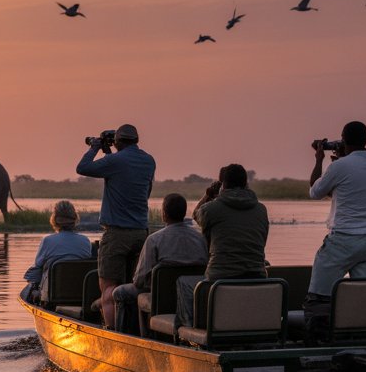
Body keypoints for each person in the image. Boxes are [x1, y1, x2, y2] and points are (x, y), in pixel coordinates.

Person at [303, 121, 366, 339]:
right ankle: (362, 338)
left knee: (319, 296)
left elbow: (315, 192)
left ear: (343, 139)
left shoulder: (339, 167)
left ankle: (319, 342)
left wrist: (320, 160)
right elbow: (347, 194)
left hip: (343, 239)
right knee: (362, 296)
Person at [76, 123, 156, 327]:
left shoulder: (115, 161)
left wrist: (95, 146)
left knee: (109, 288)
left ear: (118, 142)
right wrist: (108, 151)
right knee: (134, 285)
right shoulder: (148, 161)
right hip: (141, 233)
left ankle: (112, 332)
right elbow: (140, 187)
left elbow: (82, 167)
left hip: (117, 235)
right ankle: (135, 329)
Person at [175, 163, 269, 333]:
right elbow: (263, 240)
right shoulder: (261, 210)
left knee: (184, 283)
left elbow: (196, 214)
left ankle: (190, 334)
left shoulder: (213, 208)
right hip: (257, 278)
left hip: (220, 279)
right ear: (246, 184)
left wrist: (208, 195)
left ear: (222, 185)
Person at [112, 193, 208, 331]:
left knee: (119, 292)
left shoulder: (154, 239)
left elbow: (139, 280)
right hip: (191, 294)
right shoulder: (200, 238)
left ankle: (125, 336)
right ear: (183, 213)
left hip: (160, 297)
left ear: (164, 214)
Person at [22, 199, 93, 303]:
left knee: (33, 277)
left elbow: (37, 268)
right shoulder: (85, 241)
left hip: (51, 295)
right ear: (74, 219)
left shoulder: (47, 241)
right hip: (80, 294)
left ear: (54, 219)